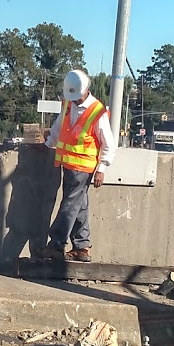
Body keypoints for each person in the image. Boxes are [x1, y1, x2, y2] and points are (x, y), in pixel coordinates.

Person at [44, 69, 115, 262]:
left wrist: (102, 168)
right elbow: (60, 126)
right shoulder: (68, 102)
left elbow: (109, 143)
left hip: (83, 168)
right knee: (79, 205)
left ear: (86, 90)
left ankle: (56, 244)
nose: (74, 100)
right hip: (67, 165)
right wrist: (48, 143)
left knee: (69, 205)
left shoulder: (97, 111)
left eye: (77, 96)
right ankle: (82, 247)